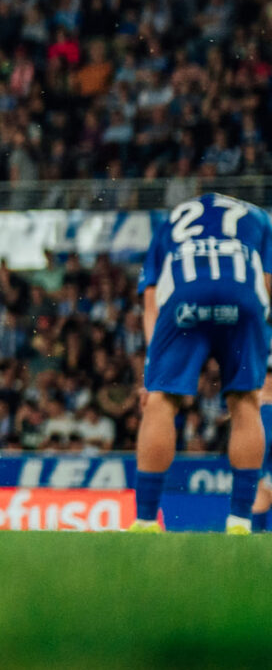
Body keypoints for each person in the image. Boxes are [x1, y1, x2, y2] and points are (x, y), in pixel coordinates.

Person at [129, 192, 268, 532]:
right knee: (245, 401)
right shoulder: (260, 219)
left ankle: (146, 521)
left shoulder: (169, 222)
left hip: (185, 298)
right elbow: (266, 286)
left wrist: (153, 373)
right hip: (242, 296)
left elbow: (151, 305)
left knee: (162, 401)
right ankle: (239, 521)